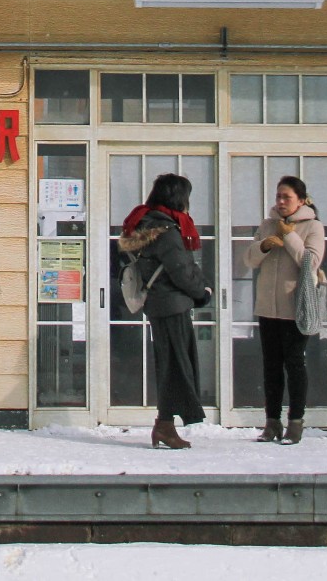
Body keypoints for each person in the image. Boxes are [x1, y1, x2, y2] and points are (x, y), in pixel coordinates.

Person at [117, 173, 212, 449]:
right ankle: (165, 425)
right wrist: (202, 292)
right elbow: (182, 270)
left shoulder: (144, 224)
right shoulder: (167, 231)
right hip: (173, 305)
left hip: (158, 304)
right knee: (176, 366)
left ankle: (165, 424)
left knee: (170, 364)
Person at [243, 175, 326, 445]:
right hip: (268, 307)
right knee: (271, 367)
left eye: (286, 197)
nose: (280, 202)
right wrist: (264, 245)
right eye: (278, 196)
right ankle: (272, 422)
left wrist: (290, 237)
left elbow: (310, 262)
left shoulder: (313, 227)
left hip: (296, 307)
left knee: (295, 364)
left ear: (301, 201)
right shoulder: (267, 225)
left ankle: (296, 422)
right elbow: (249, 260)